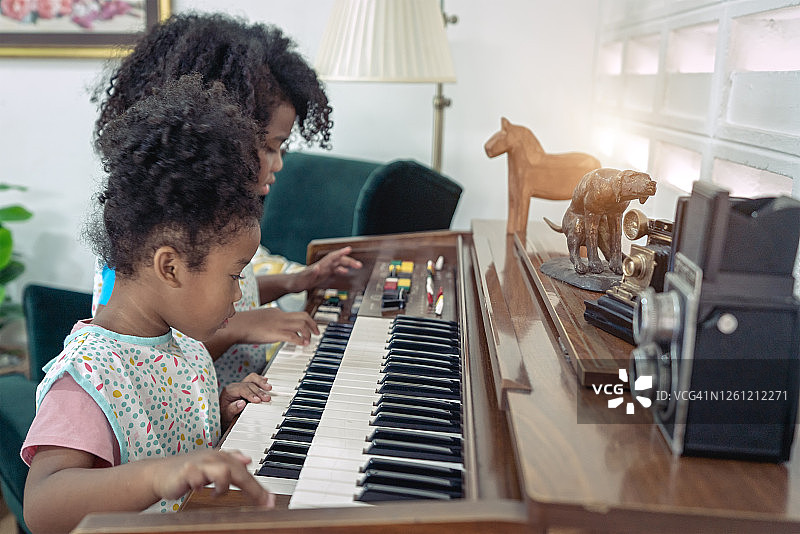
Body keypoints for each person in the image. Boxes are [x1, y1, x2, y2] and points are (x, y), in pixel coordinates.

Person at [22, 75, 275, 534]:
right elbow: (42, 505)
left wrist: (216, 413)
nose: (240, 293)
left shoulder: (185, 347)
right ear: (171, 267)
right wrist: (160, 475)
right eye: (234, 275)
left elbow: (155, 439)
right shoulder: (89, 374)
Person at [91, 12, 362, 387]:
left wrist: (295, 282)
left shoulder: (220, 223)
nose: (278, 163)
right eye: (269, 147)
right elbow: (134, 356)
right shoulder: (143, 238)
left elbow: (223, 289)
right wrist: (242, 328)